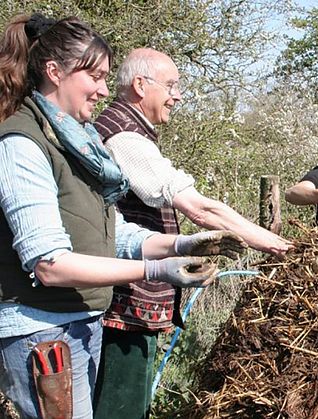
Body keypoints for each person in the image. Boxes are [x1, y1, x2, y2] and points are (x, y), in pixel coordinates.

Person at [0, 14, 245, 419]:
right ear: (54, 71)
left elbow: (107, 232)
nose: (102, 89)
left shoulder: (75, 142)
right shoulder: (22, 144)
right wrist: (155, 270)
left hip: (79, 321)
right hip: (40, 330)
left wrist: (180, 244)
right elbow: (50, 265)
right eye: (93, 76)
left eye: (105, 77)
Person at [92, 48, 293, 418]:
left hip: (133, 299)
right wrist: (266, 240)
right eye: (171, 85)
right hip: (125, 305)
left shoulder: (129, 131)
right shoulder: (124, 138)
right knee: (121, 407)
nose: (178, 95)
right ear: (140, 85)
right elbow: (198, 207)